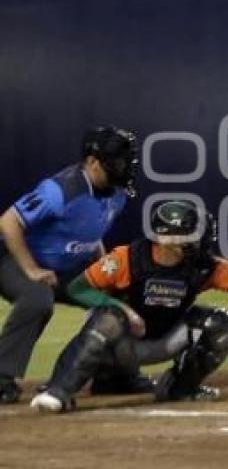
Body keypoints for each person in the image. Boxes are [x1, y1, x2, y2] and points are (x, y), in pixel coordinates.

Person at [30, 199, 228, 413]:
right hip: (120, 342)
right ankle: (60, 391)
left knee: (218, 323)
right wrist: (119, 308)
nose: (199, 241)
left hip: (163, 341)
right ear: (168, 238)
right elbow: (77, 288)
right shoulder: (126, 259)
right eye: (191, 235)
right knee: (110, 316)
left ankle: (180, 388)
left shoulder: (203, 266)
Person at [0, 125, 138, 403]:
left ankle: (113, 375)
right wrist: (30, 269)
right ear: (92, 162)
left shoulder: (117, 193)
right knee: (38, 298)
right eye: (117, 161)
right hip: (13, 260)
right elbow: (8, 221)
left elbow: (90, 234)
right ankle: (3, 378)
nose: (124, 168)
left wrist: (105, 270)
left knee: (122, 298)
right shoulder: (60, 190)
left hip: (66, 269)